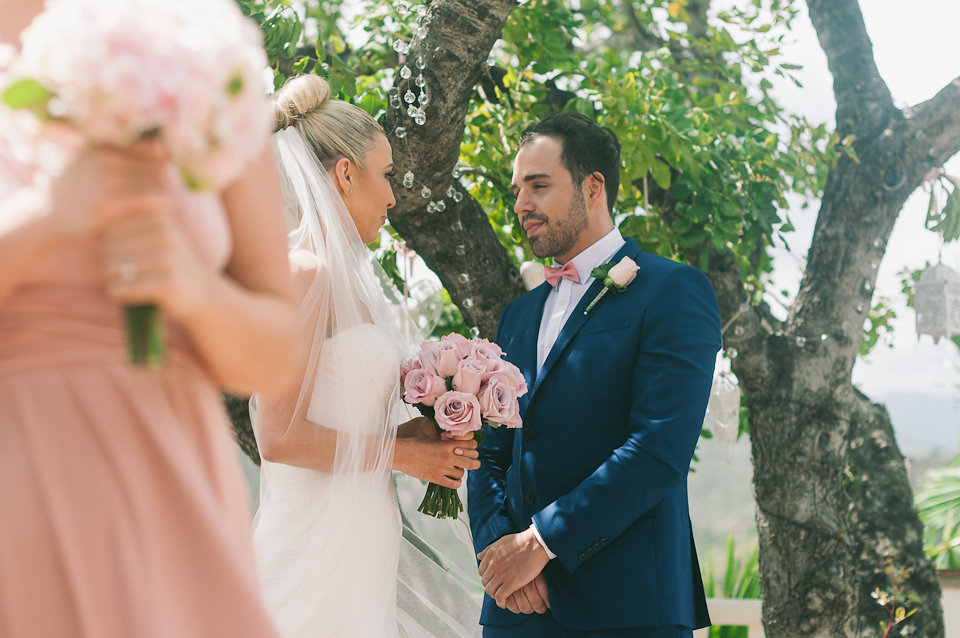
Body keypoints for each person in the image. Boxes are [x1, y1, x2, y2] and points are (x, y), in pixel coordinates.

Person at [0, 1, 301, 637]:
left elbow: (277, 359)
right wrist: (42, 222)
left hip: (168, 481)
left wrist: (194, 291)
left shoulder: (192, 40)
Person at [467, 112, 719, 637]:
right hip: (517, 609)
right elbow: (489, 449)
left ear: (593, 186)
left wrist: (538, 544)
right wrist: (499, 549)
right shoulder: (517, 314)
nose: (520, 206)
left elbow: (656, 451)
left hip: (626, 607)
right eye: (517, 190)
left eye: (538, 186)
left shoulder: (673, 291)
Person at [250, 74, 482, 638]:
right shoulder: (303, 273)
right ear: (345, 175)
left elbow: (342, 416)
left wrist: (420, 436)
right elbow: (277, 437)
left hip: (362, 539)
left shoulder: (349, 283)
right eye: (386, 174)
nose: (393, 195)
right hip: (313, 546)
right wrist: (403, 457)